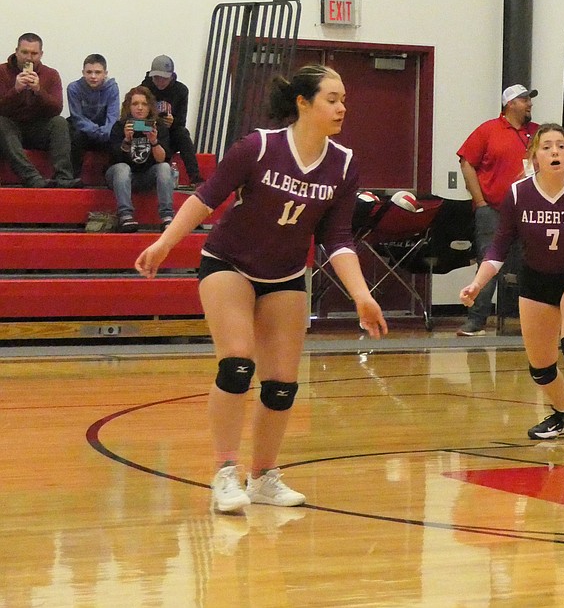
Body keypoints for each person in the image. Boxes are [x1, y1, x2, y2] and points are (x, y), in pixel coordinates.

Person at [134, 64, 388, 514]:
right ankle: (225, 472)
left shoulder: (343, 164)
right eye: (332, 99)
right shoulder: (259, 146)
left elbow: (338, 238)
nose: (342, 108)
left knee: (281, 386)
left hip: (286, 274)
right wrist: (163, 244)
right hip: (228, 263)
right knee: (236, 364)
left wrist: (362, 295)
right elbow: (205, 197)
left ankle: (264, 476)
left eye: (344, 99)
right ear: (303, 103)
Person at [459, 123, 564, 454]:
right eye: (547, 147)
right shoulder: (519, 194)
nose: (555, 151)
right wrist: (476, 283)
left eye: (561, 146)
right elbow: (499, 248)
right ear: (534, 156)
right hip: (536, 279)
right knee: (541, 367)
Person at [455, 83, 540, 336]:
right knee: (488, 264)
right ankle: (476, 320)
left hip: (529, 213)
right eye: (525, 100)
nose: (530, 104)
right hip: (492, 210)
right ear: (510, 104)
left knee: (533, 264)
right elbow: (466, 162)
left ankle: (534, 320)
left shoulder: (537, 133)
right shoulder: (488, 130)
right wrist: (479, 201)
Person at [0, 32, 80, 188]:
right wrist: (15, 90)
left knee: (60, 122)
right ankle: (32, 178)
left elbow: (57, 108)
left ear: (41, 54)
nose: (29, 58)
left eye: (34, 53)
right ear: (16, 51)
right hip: (10, 128)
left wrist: (39, 91)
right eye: (24, 52)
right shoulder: (2, 72)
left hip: (38, 128)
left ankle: (63, 177)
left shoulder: (51, 74)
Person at [105, 86, 174, 233]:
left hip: (146, 176)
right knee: (123, 168)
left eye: (144, 104)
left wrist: (154, 141)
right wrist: (127, 140)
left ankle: (167, 217)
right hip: (120, 176)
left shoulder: (158, 127)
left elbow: (163, 160)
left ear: (150, 107)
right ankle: (125, 215)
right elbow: (114, 158)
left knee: (165, 168)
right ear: (128, 107)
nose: (140, 108)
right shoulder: (120, 126)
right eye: (135, 104)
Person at [139, 54, 204, 185]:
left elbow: (181, 122)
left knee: (183, 134)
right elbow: (136, 118)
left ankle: (195, 177)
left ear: (171, 76)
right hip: (148, 130)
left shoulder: (181, 90)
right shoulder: (144, 89)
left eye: (164, 78)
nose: (160, 81)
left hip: (169, 134)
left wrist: (172, 122)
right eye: (156, 78)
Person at [67, 54, 120, 181]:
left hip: (104, 130)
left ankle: (110, 176)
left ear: (105, 73)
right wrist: (96, 131)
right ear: (83, 73)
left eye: (98, 72)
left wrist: (105, 132)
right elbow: (77, 117)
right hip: (84, 131)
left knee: (117, 136)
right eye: (89, 72)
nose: (93, 76)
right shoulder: (73, 88)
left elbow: (113, 117)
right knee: (73, 134)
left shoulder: (112, 88)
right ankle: (73, 177)